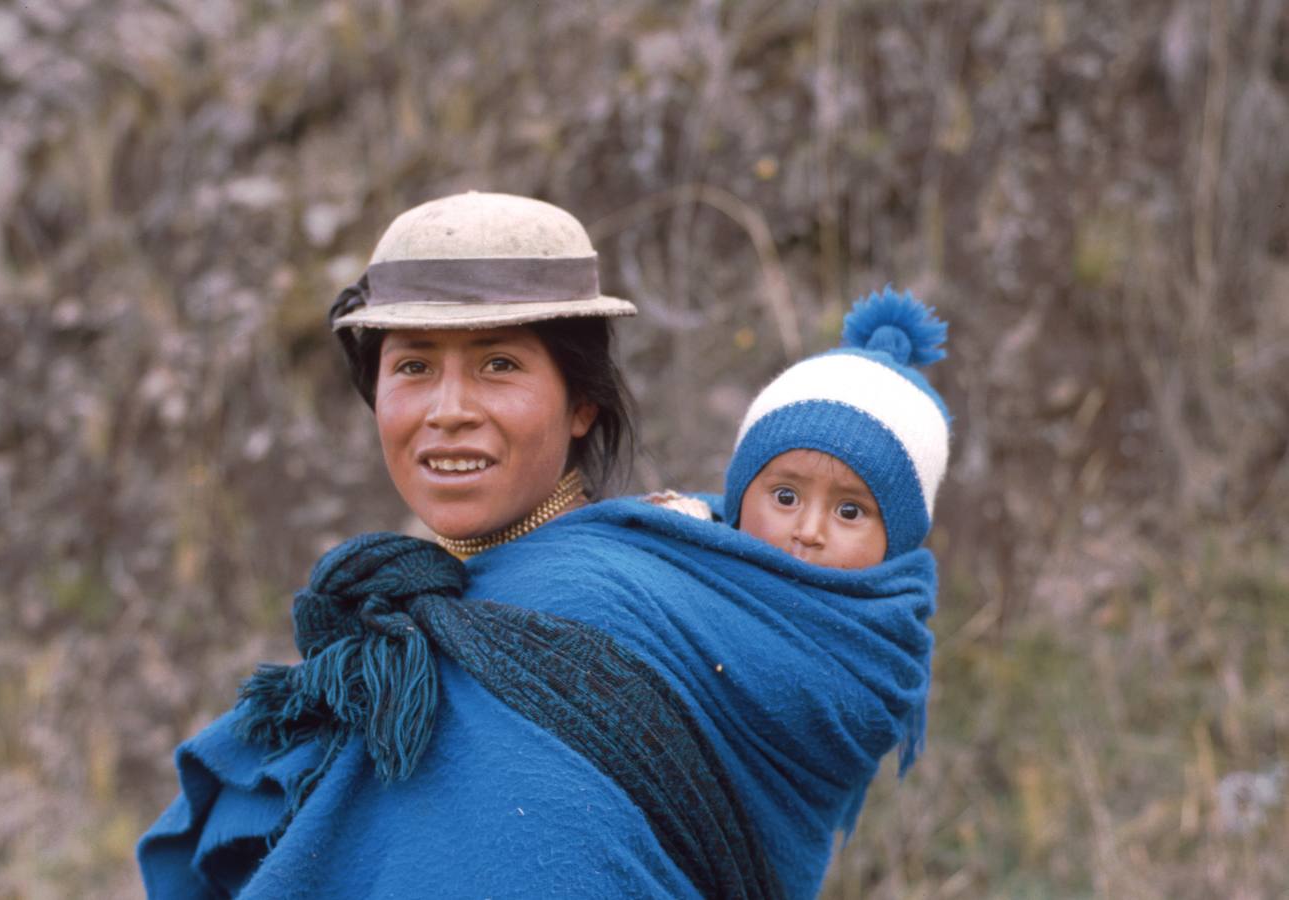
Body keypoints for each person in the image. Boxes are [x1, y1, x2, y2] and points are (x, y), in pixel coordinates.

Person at [138, 192, 938, 899]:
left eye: (498, 364)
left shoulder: (603, 604)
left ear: (583, 401)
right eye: (413, 365)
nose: (448, 409)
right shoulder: (450, 612)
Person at [652, 286, 951, 574]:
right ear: (737, 502)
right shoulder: (672, 563)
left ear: (896, 546)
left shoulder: (892, 623)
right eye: (785, 497)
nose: (808, 533)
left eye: (849, 511)